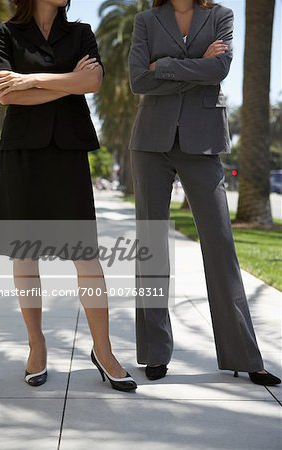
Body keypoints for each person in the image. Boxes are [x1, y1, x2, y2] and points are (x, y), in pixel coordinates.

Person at [0, 0, 137, 392]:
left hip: (68, 152)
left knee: (86, 255)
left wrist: (31, 80)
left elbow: (91, 83)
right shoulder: (7, 33)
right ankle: (36, 346)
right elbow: (6, 95)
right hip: (23, 152)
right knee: (25, 253)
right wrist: (65, 80)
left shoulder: (81, 33)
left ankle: (103, 351)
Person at [128, 0, 281, 386]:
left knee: (220, 245)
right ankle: (155, 352)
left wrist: (162, 66)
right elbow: (136, 80)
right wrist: (197, 64)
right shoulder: (145, 20)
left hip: (204, 140)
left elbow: (220, 69)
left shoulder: (221, 16)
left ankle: (245, 356)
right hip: (150, 142)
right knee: (151, 246)